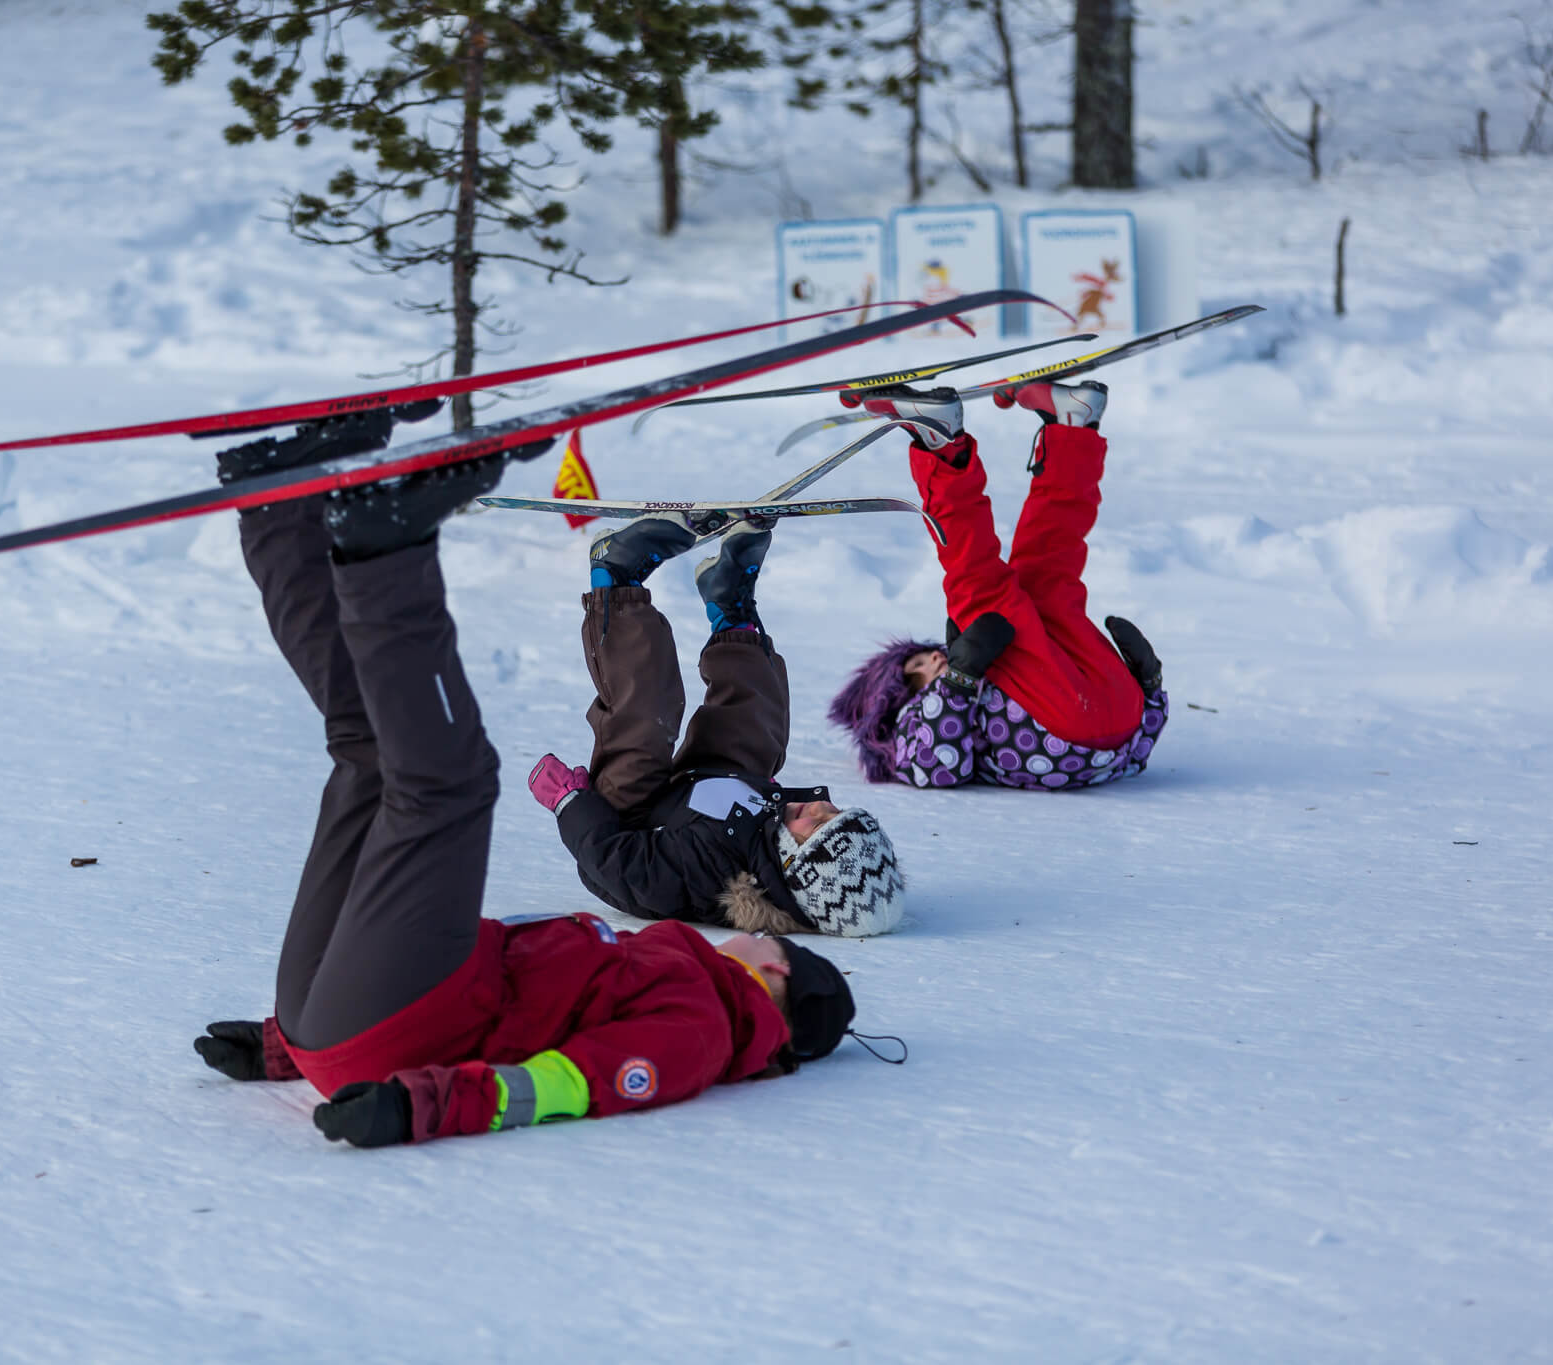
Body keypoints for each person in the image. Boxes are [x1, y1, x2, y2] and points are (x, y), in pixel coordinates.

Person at [192, 456, 864, 1148]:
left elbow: (570, 1081)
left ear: (776, 967)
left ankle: (388, 549)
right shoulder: (694, 976)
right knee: (366, 754)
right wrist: (290, 1048)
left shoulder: (701, 1027)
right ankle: (276, 504)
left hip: (406, 1019)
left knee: (449, 784)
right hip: (349, 1019)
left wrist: (421, 1105)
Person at [528, 514, 906, 939]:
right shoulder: (776, 831)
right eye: (837, 812)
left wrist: (571, 802)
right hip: (702, 791)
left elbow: (616, 865)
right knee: (757, 727)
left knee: (648, 709)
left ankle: (614, 576)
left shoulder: (707, 876)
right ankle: (731, 608)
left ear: (795, 869)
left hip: (631, 821)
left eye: (819, 826)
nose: (821, 807)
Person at [828, 381, 1169, 791]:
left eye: (920, 658)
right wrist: (958, 684)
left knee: (1046, 575)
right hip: (1065, 723)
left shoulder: (981, 675)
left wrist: (1146, 695)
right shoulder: (900, 737)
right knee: (976, 588)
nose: (930, 664)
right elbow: (938, 769)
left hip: (1112, 716)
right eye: (914, 675)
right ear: (891, 706)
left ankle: (1072, 427)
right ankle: (938, 441)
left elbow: (1136, 755)